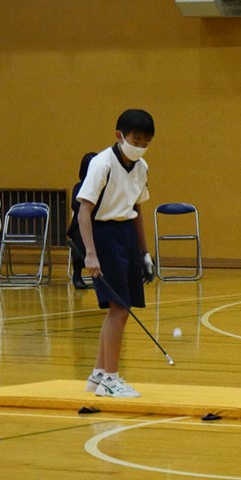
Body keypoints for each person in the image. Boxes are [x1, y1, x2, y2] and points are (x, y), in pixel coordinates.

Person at [77, 109, 156, 398]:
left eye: (147, 141)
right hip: (104, 235)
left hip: (126, 237)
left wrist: (145, 253)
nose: (141, 145)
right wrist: (91, 254)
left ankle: (98, 374)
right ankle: (111, 378)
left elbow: (138, 210)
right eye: (137, 139)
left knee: (120, 309)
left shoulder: (142, 167)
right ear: (119, 135)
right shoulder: (102, 164)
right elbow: (84, 209)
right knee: (119, 309)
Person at [68, 152, 97, 289]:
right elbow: (76, 206)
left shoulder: (102, 186)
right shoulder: (78, 187)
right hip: (81, 224)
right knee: (79, 235)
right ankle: (77, 275)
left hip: (99, 222)